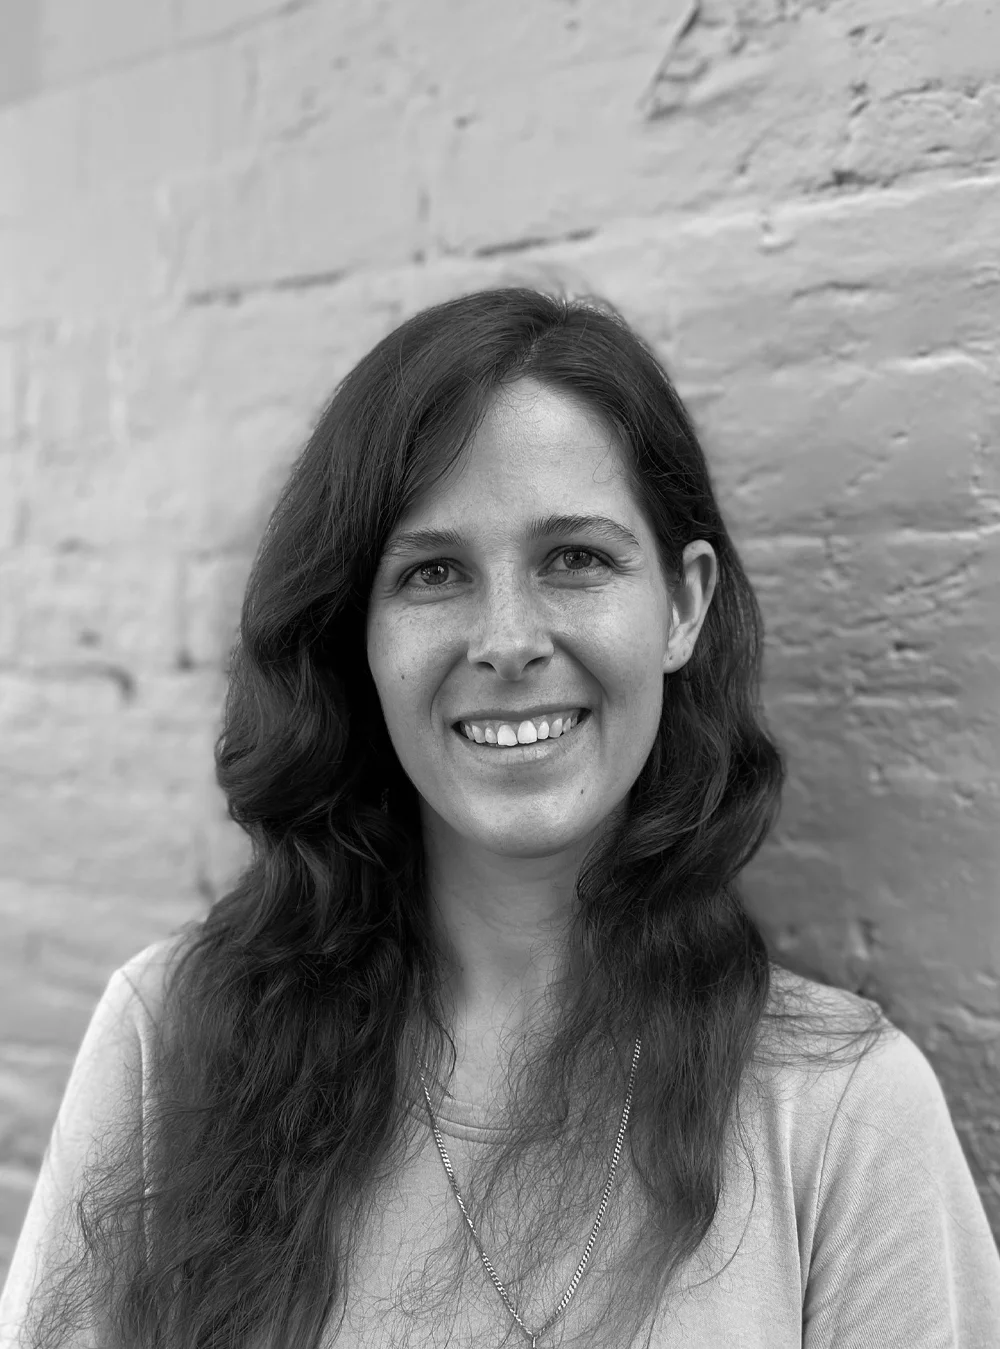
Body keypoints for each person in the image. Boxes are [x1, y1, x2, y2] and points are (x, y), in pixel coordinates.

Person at [1, 286, 998, 1349]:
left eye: (575, 558)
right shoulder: (173, 1042)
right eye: (433, 572)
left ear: (681, 603)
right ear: (358, 636)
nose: (509, 639)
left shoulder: (841, 1115)